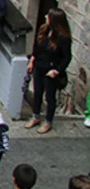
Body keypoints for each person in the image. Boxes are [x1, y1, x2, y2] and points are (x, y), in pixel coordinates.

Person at [25, 7, 72, 135]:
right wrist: (32, 60)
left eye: (48, 16)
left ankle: (48, 121)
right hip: (39, 67)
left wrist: (56, 71)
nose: (46, 16)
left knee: (50, 97)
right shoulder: (45, 30)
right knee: (37, 93)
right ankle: (35, 116)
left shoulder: (63, 38)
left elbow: (67, 57)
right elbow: (38, 47)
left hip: (50, 71)